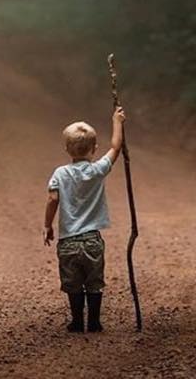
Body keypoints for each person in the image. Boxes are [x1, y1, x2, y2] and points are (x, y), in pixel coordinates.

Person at [43, 106, 126, 332]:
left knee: (72, 283)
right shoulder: (98, 170)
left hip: (68, 240)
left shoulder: (60, 173)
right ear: (94, 148)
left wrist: (47, 225)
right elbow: (116, 148)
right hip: (92, 239)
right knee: (94, 281)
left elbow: (52, 199)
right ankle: (95, 321)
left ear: (67, 149)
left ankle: (77, 321)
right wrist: (116, 120)